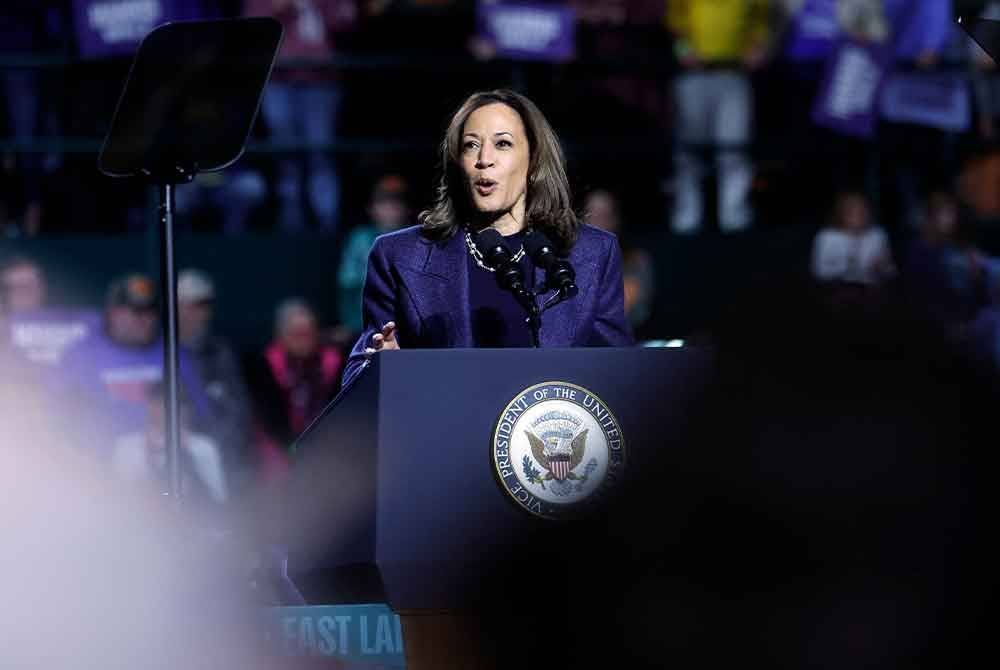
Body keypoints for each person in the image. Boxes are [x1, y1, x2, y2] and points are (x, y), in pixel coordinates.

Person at [342, 89, 633, 386]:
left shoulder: (592, 253)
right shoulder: (399, 255)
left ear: (533, 161)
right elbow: (356, 378)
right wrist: (383, 368)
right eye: (471, 146)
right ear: (458, 163)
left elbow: (617, 376)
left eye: (503, 144)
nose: (484, 159)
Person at [243, 0, 358, 234]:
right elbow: (253, 24)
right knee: (286, 156)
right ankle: (291, 221)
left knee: (321, 152)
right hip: (278, 79)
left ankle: (328, 222)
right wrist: (281, 7)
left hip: (321, 80)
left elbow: (346, 19)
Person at [667, 0, 770, 234]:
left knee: (734, 146)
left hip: (734, 73)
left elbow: (761, 19)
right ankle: (687, 216)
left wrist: (758, 46)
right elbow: (675, 20)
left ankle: (735, 215)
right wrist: (683, 49)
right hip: (693, 73)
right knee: (688, 149)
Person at [177, 269, 253, 484]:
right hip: (179, 459)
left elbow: (239, 410)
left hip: (225, 460)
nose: (198, 312)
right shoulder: (159, 351)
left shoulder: (221, 352)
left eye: (204, 305)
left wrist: (221, 450)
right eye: (191, 305)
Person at [112, 382, 228, 504]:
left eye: (175, 404)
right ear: (149, 406)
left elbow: (218, 497)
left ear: (185, 410)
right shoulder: (127, 447)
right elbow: (120, 498)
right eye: (158, 403)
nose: (165, 410)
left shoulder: (203, 447)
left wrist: (187, 455)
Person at [248, 298, 343, 446]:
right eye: (297, 335)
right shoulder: (265, 369)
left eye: (308, 334)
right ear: (280, 335)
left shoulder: (333, 363)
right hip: (283, 452)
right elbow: (269, 427)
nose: (304, 342)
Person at [337, 174, 410, 334]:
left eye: (396, 202)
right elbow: (347, 282)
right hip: (363, 326)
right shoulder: (360, 239)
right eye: (384, 202)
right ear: (371, 208)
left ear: (406, 208)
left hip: (407, 327)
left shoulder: (417, 238)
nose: (391, 208)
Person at [811, 191, 895, 286]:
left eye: (863, 211)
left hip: (872, 289)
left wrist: (882, 267)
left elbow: (890, 271)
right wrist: (848, 266)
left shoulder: (877, 235)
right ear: (841, 214)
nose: (860, 216)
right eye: (853, 211)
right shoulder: (827, 237)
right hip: (837, 289)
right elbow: (819, 271)